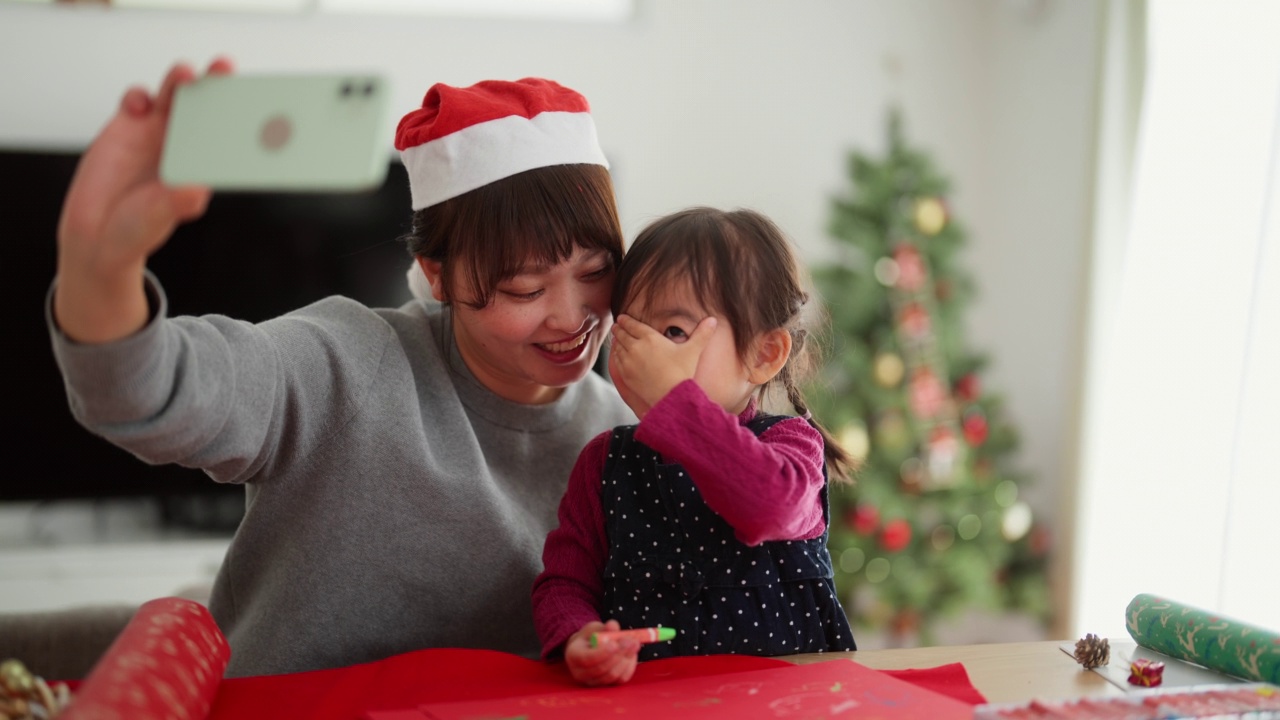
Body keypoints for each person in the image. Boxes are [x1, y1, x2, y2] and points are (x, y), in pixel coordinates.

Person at [47, 60, 636, 677]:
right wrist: (99, 265)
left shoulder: (625, 434)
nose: (573, 317)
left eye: (596, 272)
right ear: (438, 276)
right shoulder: (347, 364)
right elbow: (150, 390)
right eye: (522, 288)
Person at [531, 207, 858, 686]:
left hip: (787, 701)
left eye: (674, 333)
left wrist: (676, 406)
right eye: (631, 331)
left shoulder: (791, 445)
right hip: (654, 704)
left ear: (764, 354)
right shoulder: (606, 463)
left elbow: (769, 507)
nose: (645, 355)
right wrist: (581, 636)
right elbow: (565, 582)